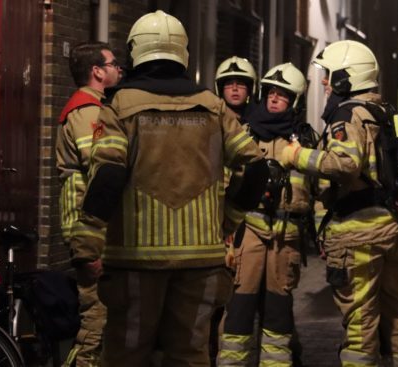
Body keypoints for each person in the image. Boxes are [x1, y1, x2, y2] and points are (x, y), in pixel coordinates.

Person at [68, 10, 267, 366]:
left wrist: (85, 246)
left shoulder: (120, 108)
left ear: (135, 51)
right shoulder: (213, 106)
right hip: (202, 263)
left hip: (135, 263)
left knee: (127, 354)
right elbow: (255, 169)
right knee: (190, 355)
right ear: (183, 52)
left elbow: (108, 177)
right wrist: (227, 222)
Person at [280, 40, 398, 367]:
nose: (324, 82)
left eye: (329, 75)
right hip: (391, 228)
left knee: (360, 325)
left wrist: (295, 155)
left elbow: (344, 164)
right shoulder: (381, 111)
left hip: (359, 235)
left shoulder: (347, 115)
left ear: (347, 78)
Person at [218, 63, 315, 366]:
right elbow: (225, 179)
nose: (274, 99)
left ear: (294, 101)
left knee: (278, 311)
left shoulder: (305, 140)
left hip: (286, 238)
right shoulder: (246, 133)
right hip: (248, 234)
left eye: (282, 95)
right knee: (240, 308)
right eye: (271, 93)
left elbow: (319, 189)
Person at [56, 41, 121, 367]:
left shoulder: (94, 109)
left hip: (91, 230)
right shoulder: (87, 112)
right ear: (97, 71)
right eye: (112, 63)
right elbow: (100, 168)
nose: (118, 68)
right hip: (88, 231)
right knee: (96, 323)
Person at [210, 55, 258, 364]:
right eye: (229, 84)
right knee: (212, 301)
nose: (235, 89)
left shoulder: (260, 123)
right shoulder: (208, 121)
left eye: (241, 84)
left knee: (243, 298)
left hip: (250, 223)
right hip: (215, 219)